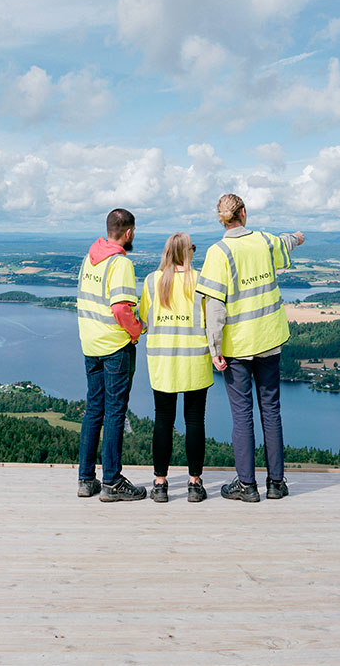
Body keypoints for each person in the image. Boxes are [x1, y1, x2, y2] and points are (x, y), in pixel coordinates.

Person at [196, 193, 304, 502]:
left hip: (237, 347)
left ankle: (246, 486)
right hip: (269, 341)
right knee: (271, 410)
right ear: (243, 213)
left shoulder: (218, 252)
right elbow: (284, 242)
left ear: (223, 218)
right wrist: (298, 237)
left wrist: (213, 347)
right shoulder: (263, 242)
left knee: (241, 415)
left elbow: (214, 306)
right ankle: (276, 483)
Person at [76, 207, 146, 502]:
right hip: (115, 347)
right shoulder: (120, 264)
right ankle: (112, 483)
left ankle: (85, 479)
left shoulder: (89, 260)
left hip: (90, 344)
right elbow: (120, 308)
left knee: (95, 410)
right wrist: (136, 329)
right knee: (115, 412)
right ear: (128, 232)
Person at [138, 232, 213, 504]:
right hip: (195, 363)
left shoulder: (151, 281)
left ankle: (160, 484)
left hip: (162, 364)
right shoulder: (201, 280)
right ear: (189, 252)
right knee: (195, 422)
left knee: (163, 422)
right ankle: (194, 484)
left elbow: (144, 321)